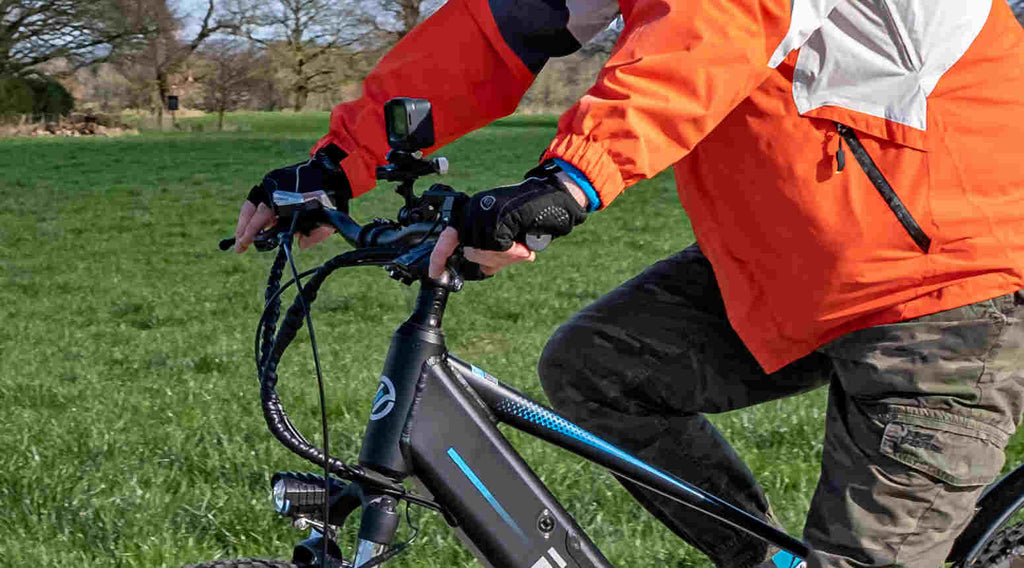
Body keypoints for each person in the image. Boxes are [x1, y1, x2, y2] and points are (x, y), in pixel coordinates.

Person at [234, 0, 1024, 566]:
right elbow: (495, 30)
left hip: (951, 291)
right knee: (599, 369)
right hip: (793, 265)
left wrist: (572, 180)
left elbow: (716, 28)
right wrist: (341, 161)